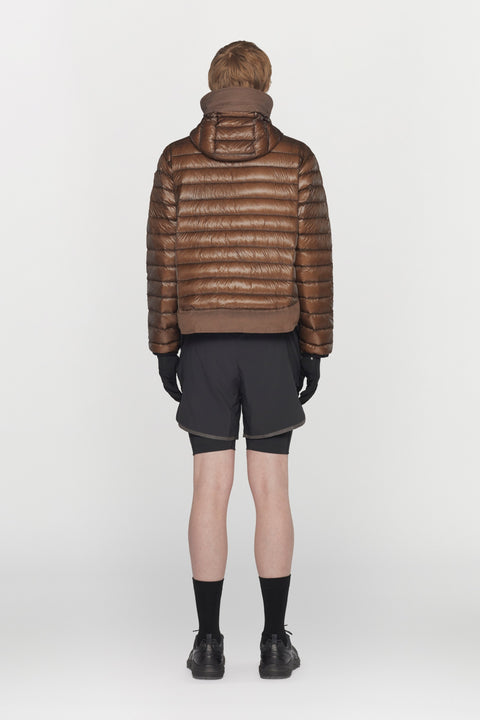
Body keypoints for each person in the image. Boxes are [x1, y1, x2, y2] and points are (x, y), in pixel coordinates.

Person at [146, 40, 333, 680]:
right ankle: (275, 645)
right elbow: (314, 260)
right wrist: (314, 346)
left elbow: (162, 260)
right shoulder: (296, 159)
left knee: (209, 487)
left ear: (214, 86)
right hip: (274, 339)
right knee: (271, 488)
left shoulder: (175, 161)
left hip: (202, 342)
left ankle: (208, 645)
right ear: (263, 86)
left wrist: (165, 345)